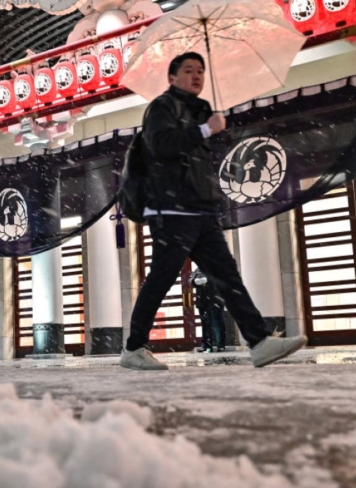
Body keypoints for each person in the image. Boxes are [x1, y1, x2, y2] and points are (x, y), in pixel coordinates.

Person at [119, 52, 307, 370]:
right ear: (172, 78)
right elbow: (162, 147)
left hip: (200, 210)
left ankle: (259, 342)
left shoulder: (201, 110)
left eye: (200, 71)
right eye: (189, 70)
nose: (196, 76)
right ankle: (133, 349)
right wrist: (205, 130)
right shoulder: (162, 107)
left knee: (226, 276)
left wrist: (214, 129)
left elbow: (197, 163)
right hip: (171, 209)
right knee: (161, 279)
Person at [191, 267, 226, 353]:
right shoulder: (198, 270)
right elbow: (191, 279)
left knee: (217, 323)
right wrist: (194, 281)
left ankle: (220, 344)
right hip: (202, 301)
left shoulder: (216, 267)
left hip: (215, 300)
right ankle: (206, 345)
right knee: (205, 324)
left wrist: (209, 280)